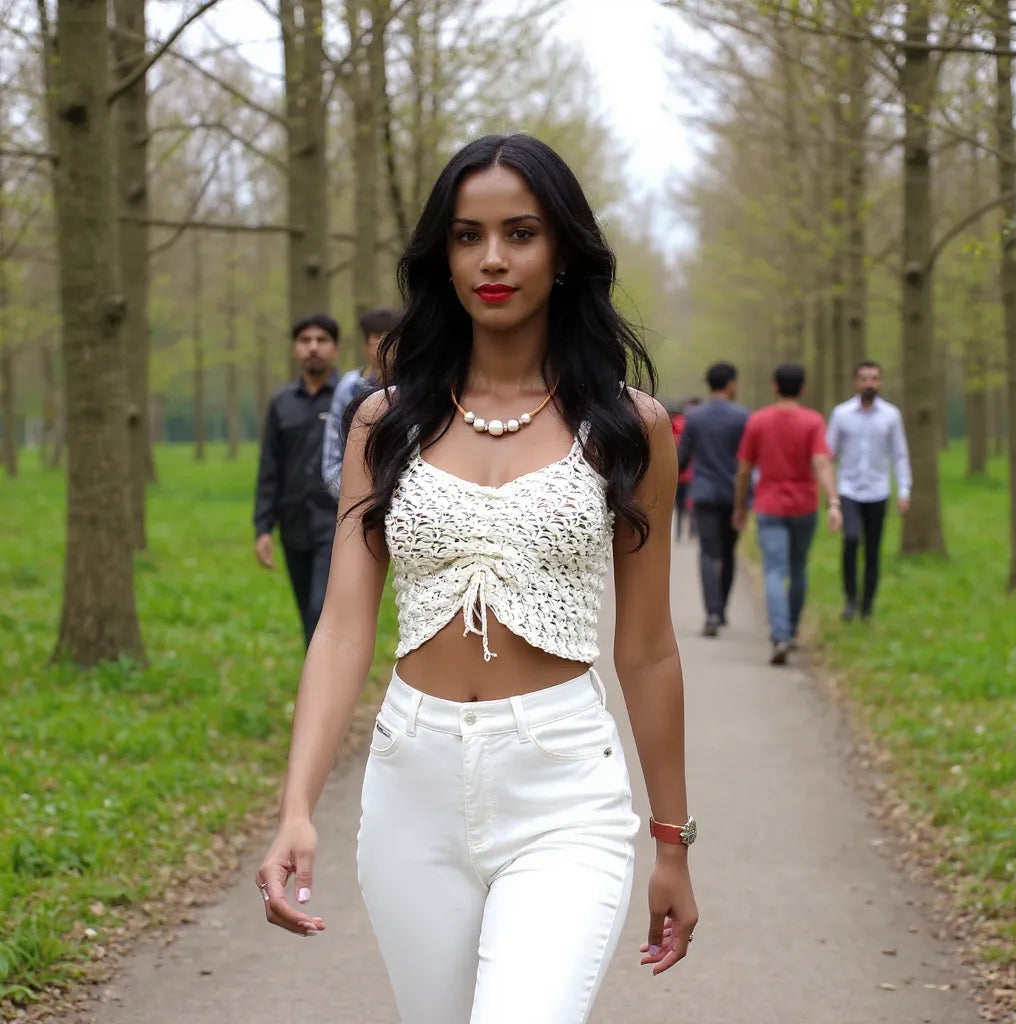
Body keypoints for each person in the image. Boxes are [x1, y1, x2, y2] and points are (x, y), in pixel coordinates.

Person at [255, 133, 698, 1024]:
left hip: (564, 785)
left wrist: (673, 842)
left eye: (521, 232)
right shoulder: (387, 423)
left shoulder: (629, 427)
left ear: (564, 251)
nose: (492, 258)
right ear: (442, 257)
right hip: (409, 782)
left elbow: (647, 650)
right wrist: (296, 807)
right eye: (467, 236)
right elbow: (342, 627)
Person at [733, 363, 842, 665]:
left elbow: (744, 470)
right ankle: (790, 631)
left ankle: (779, 635)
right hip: (804, 505)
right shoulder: (813, 421)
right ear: (803, 388)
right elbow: (822, 462)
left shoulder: (758, 421)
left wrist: (740, 506)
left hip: (769, 505)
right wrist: (833, 501)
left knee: (774, 571)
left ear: (774, 386)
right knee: (798, 568)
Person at [253, 314, 341, 647]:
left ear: (335, 348)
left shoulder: (348, 397)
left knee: (322, 608)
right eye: (305, 341)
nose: (313, 348)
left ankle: (327, 692)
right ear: (295, 349)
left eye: (321, 340)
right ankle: (319, 688)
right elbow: (269, 467)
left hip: (335, 522)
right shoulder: (282, 403)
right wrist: (263, 527)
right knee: (307, 612)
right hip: (293, 524)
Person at [826, 361, 912, 622]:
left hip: (878, 490)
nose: (869, 384)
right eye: (863, 378)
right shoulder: (841, 414)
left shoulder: (891, 415)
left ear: (881, 382)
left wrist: (904, 489)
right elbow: (829, 452)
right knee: (851, 540)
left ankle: (867, 607)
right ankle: (850, 597)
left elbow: (899, 454)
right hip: (848, 488)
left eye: (874, 378)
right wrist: (829, 493)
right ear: (855, 383)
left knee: (873, 550)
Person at [677, 363, 748, 637]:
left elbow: (682, 458)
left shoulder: (695, 417)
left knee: (707, 552)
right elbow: (747, 461)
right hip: (733, 493)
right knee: (729, 551)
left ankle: (712, 612)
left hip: (704, 492)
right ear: (730, 384)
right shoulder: (742, 416)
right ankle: (723, 608)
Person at [322, 306, 402, 499]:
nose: (386, 343)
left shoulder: (415, 387)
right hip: (358, 500)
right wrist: (356, 500)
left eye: (392, 336)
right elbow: (333, 456)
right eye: (378, 336)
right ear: (366, 344)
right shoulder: (349, 387)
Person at [669, 400, 696, 543]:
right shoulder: (690, 425)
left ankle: (678, 532)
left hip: (675, 472)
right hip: (690, 473)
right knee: (690, 504)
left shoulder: (669, 426)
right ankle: (692, 531)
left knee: (677, 505)